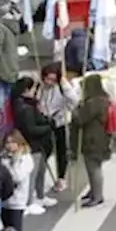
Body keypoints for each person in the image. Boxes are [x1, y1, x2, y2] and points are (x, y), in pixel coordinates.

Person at [9, 76, 55, 213]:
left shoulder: (24, 105)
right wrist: (48, 127)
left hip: (36, 144)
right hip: (33, 144)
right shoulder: (25, 108)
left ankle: (40, 196)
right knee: (32, 174)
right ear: (26, 90)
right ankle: (29, 201)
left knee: (40, 172)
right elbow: (31, 129)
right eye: (34, 88)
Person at [70, 73, 114, 206]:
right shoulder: (104, 99)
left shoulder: (93, 103)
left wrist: (76, 110)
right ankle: (94, 191)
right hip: (101, 137)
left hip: (92, 139)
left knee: (93, 167)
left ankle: (97, 195)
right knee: (95, 166)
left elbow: (80, 119)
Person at [38, 63, 79, 194]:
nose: (49, 82)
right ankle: (42, 179)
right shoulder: (40, 87)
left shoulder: (61, 87)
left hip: (60, 121)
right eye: (47, 79)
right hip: (44, 122)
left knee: (62, 150)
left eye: (53, 80)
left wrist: (64, 84)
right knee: (45, 150)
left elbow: (74, 100)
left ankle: (61, 177)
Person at [0, 131, 34, 231]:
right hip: (4, 200)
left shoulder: (25, 158)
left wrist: (14, 162)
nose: (9, 146)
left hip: (18, 200)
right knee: (7, 230)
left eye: (13, 142)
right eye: (7, 143)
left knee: (16, 230)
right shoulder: (3, 158)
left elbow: (19, 177)